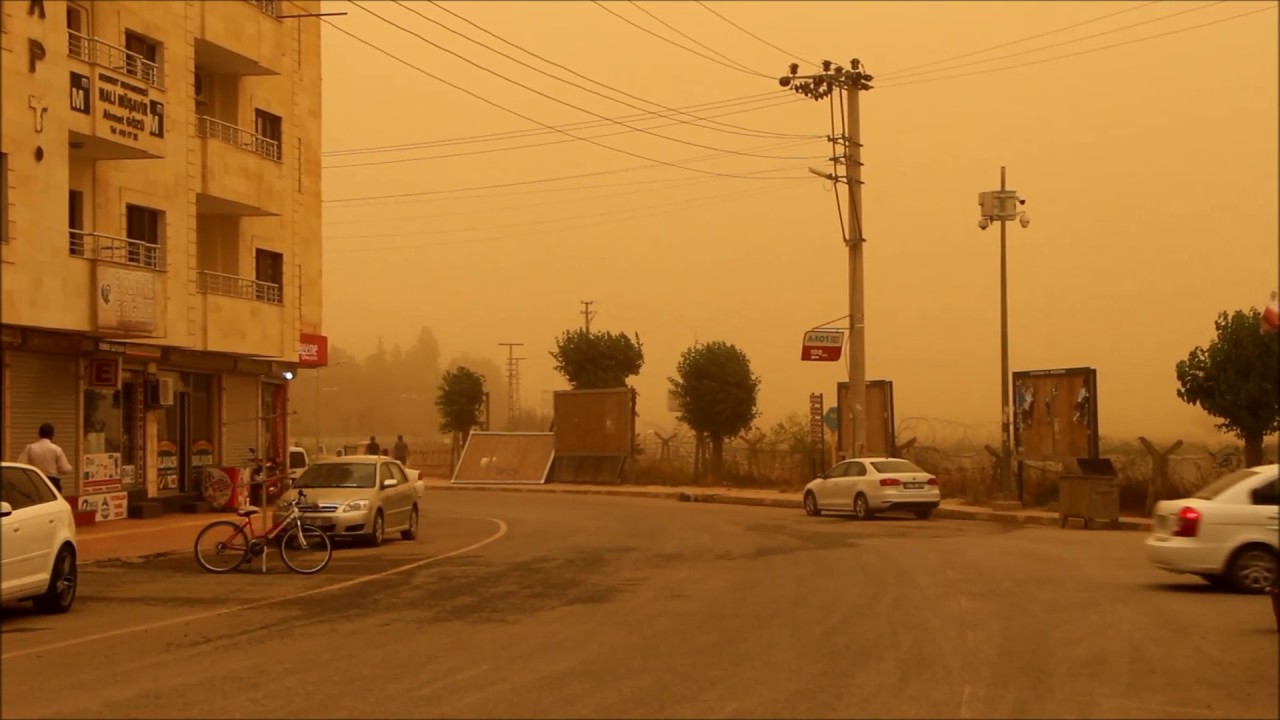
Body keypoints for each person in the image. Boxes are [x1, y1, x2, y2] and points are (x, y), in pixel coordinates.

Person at [17, 423, 74, 495]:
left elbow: (20, 464)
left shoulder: (30, 448)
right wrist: (69, 468)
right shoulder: (56, 449)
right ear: (52, 435)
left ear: (39, 434)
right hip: (52, 482)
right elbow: (64, 469)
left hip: (35, 481)